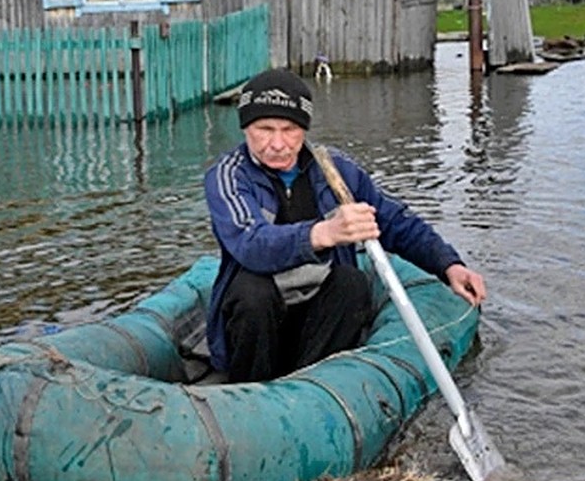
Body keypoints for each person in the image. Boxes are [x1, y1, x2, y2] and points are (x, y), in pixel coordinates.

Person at [204, 67, 488, 383]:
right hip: (260, 318)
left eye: (290, 129)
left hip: (317, 313)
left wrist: (448, 265)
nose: (278, 143)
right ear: (245, 128)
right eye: (265, 129)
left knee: (351, 284)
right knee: (251, 294)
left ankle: (311, 386)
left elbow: (394, 220)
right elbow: (251, 243)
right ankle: (250, 392)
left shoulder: (336, 170)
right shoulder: (228, 176)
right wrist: (323, 233)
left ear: (304, 129)